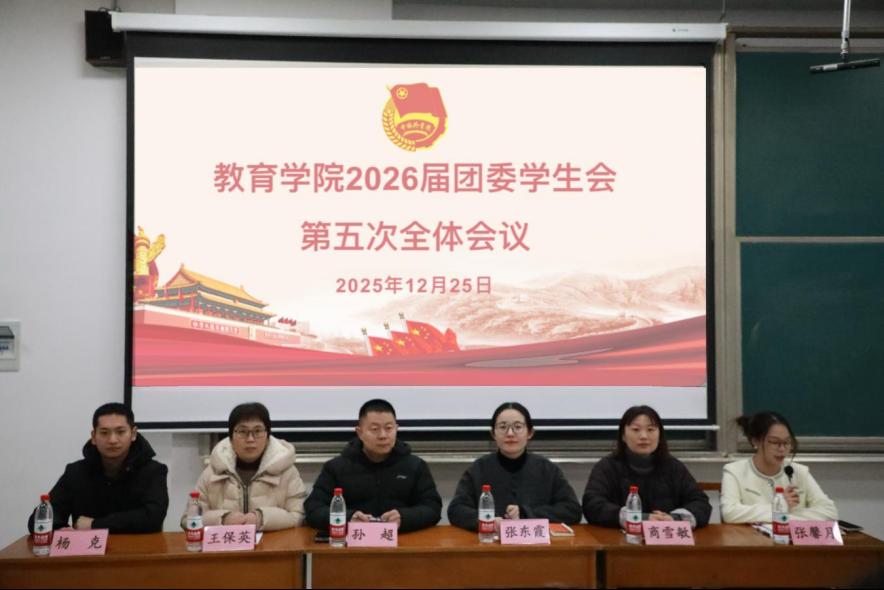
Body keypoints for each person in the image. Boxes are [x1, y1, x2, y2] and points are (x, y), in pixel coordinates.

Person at [27, 403, 168, 534]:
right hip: (87, 551)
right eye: (104, 433)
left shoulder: (153, 471)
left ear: (133, 434)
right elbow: (38, 519)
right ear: (93, 436)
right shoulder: (75, 472)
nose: (112, 440)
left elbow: (153, 518)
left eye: (120, 432)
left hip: (138, 550)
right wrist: (59, 529)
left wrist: (95, 524)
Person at [305, 399, 442, 533]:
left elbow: (433, 508)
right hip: (353, 541)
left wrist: (404, 517)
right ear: (359, 432)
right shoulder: (336, 468)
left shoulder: (414, 466)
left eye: (389, 428)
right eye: (375, 429)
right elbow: (313, 509)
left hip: (401, 541)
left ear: (396, 428)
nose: (383, 435)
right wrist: (348, 519)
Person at [448, 402, 581, 530]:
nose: (510, 433)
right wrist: (488, 521)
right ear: (493, 434)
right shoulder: (478, 469)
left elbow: (572, 510)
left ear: (530, 432)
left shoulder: (547, 469)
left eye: (517, 427)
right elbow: (456, 509)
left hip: (535, 543)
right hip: (491, 542)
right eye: (503, 427)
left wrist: (525, 514)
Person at [582, 405, 711, 529]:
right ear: (623, 436)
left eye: (650, 430)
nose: (644, 436)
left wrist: (674, 519)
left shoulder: (674, 467)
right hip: (622, 539)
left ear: (660, 435)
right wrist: (639, 518)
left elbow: (701, 503)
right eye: (636, 430)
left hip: (666, 539)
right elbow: (592, 505)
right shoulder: (607, 467)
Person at [191, 402, 307, 531]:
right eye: (242, 431)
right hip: (228, 543)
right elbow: (190, 519)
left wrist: (262, 518)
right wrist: (222, 519)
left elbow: (299, 516)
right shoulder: (213, 472)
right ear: (231, 438)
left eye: (257, 431)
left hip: (272, 543)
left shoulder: (287, 472)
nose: (250, 439)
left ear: (268, 437)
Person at [721, 411, 837, 523]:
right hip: (752, 536)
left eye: (787, 442)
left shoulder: (799, 471)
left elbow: (830, 511)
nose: (782, 449)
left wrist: (785, 516)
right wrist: (779, 506)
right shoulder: (734, 471)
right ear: (755, 441)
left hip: (792, 536)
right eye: (774, 442)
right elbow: (729, 513)